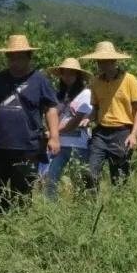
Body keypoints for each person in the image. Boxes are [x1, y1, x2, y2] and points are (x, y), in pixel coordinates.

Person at [0, 35, 60, 214]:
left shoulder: (40, 80)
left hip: (27, 147)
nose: (14, 61)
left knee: (22, 189)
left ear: (28, 57)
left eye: (19, 57)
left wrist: (54, 136)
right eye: (11, 57)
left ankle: (18, 226)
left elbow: (51, 109)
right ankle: (3, 215)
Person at [81, 41, 137, 190]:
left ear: (114, 60)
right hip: (101, 132)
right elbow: (96, 108)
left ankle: (117, 208)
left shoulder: (129, 80)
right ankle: (92, 207)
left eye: (105, 60)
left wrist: (134, 134)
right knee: (90, 172)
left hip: (122, 132)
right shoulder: (96, 82)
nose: (102, 64)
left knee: (119, 178)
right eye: (99, 61)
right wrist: (88, 118)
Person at [44, 58, 94, 200]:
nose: (67, 76)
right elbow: (51, 116)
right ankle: (50, 209)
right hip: (59, 144)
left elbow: (76, 121)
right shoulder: (57, 95)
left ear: (77, 75)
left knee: (78, 180)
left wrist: (53, 132)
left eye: (71, 73)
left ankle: (80, 210)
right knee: (51, 178)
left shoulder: (85, 94)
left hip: (78, 144)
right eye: (64, 73)